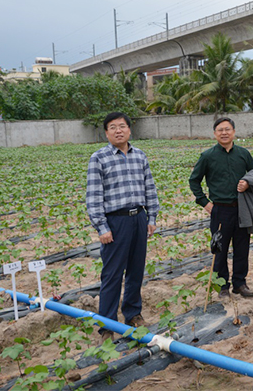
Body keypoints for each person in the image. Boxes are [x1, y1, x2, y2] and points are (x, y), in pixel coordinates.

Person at [86, 112, 160, 344]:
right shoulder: (99, 158)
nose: (118, 131)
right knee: (112, 274)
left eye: (122, 126)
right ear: (106, 133)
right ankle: (107, 325)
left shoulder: (140, 155)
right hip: (115, 222)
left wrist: (152, 217)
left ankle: (133, 314)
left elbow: (150, 187)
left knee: (136, 270)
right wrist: (102, 227)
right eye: (113, 127)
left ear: (129, 129)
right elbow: (94, 196)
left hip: (138, 217)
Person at [189, 117, 253, 298]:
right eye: (220, 130)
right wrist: (205, 203)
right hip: (219, 210)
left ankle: (240, 283)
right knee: (219, 249)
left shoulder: (243, 154)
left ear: (233, 132)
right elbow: (194, 180)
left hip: (242, 209)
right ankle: (222, 286)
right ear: (215, 134)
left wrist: (247, 184)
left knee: (242, 248)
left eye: (227, 129)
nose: (224, 133)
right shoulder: (207, 156)